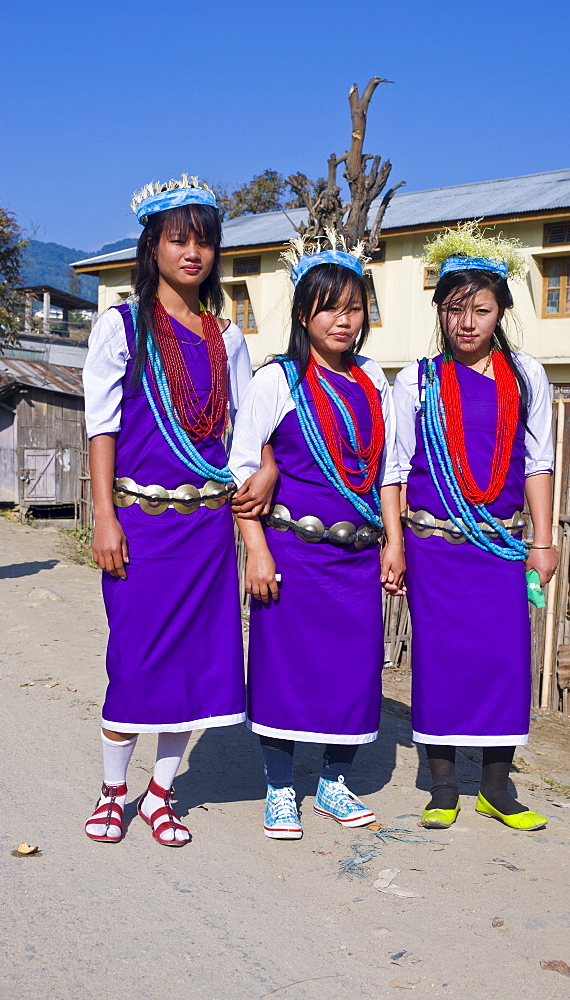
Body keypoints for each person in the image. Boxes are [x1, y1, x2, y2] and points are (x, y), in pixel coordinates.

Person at [83, 175, 275, 847]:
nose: (193, 252)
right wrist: (104, 516)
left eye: (204, 241)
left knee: (194, 667)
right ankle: (113, 792)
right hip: (139, 523)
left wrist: (267, 467)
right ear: (153, 247)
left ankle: (161, 795)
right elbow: (102, 428)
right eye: (178, 239)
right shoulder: (121, 327)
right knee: (133, 662)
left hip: (205, 529)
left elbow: (245, 433)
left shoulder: (226, 336)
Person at [229, 232, 405, 840]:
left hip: (356, 558)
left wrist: (394, 543)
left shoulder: (374, 380)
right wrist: (255, 550)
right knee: (283, 668)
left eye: (354, 307)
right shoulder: (277, 380)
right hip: (290, 554)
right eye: (329, 306)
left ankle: (334, 781)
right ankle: (280, 788)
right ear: (305, 312)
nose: (343, 319)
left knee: (355, 671)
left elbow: (388, 471)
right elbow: (243, 469)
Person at [392, 223, 558, 832]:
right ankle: (441, 786)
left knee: (504, 660)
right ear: (439, 311)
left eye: (481, 310)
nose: (467, 322)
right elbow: (397, 470)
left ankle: (496, 787)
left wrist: (541, 542)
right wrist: (395, 544)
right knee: (439, 659)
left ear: (501, 312)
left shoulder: (527, 378)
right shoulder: (417, 380)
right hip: (434, 546)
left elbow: (537, 464)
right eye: (455, 309)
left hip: (501, 543)